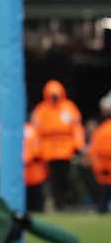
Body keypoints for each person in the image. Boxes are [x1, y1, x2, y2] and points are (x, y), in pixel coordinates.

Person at [30, 79, 85, 209]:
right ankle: (57, 203)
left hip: (66, 150)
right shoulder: (41, 110)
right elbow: (35, 133)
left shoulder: (69, 107)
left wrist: (78, 146)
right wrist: (36, 151)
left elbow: (76, 128)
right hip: (48, 151)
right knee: (52, 180)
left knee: (66, 178)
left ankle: (67, 202)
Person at [88, 92, 111, 213]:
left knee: (104, 195)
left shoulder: (102, 131)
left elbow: (95, 151)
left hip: (104, 169)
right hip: (104, 169)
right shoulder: (101, 130)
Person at [24, 121, 48, 213]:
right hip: (30, 168)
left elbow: (39, 150)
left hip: (34, 168)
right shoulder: (33, 130)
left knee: (36, 193)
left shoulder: (34, 130)